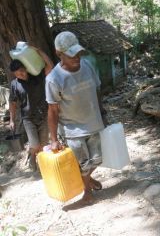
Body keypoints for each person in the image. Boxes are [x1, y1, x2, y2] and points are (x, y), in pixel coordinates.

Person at [46, 31, 107, 205]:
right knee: (83, 164)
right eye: (72, 54)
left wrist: (103, 113)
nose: (77, 57)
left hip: (94, 123)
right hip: (73, 130)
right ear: (59, 54)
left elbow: (97, 90)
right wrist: (53, 139)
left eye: (78, 53)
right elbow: (52, 110)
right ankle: (86, 191)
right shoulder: (54, 79)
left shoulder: (87, 66)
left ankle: (86, 178)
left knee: (97, 160)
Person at [8, 47, 54, 171]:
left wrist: (39, 51)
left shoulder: (38, 77)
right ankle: (32, 156)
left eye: (22, 71)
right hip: (28, 118)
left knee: (44, 145)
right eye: (17, 73)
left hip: (43, 115)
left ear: (26, 68)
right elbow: (12, 103)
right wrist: (11, 120)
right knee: (35, 144)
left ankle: (42, 166)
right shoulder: (14, 84)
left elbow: (50, 66)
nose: (20, 75)